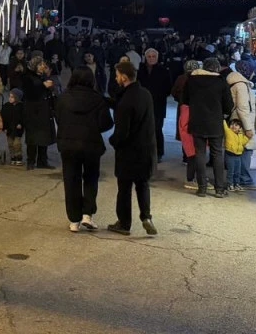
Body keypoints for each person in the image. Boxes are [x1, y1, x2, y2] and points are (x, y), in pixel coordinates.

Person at [54, 67, 114, 233]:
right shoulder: (97, 99)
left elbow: (58, 117)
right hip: (91, 144)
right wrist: (93, 128)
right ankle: (87, 214)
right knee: (91, 178)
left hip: (68, 144)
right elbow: (107, 123)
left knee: (71, 180)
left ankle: (74, 220)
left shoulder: (63, 98)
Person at [106, 61, 158, 236]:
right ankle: (146, 217)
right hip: (146, 149)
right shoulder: (145, 94)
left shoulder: (126, 101)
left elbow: (122, 132)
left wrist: (113, 141)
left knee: (124, 188)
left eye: (117, 76)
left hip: (129, 152)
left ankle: (124, 223)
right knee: (143, 185)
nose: (115, 79)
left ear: (124, 77)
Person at [183, 57, 233, 197]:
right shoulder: (221, 82)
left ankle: (202, 189)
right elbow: (229, 105)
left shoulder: (191, 80)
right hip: (215, 123)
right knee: (217, 154)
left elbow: (185, 100)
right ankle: (219, 189)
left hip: (197, 121)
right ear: (217, 68)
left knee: (199, 154)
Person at [226, 60, 256, 189]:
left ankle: (237, 179)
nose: (253, 74)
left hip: (238, 121)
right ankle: (243, 179)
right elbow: (243, 107)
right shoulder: (241, 85)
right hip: (241, 123)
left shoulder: (238, 83)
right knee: (244, 150)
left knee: (238, 150)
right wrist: (248, 128)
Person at [21, 57, 57, 170]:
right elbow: (29, 93)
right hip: (33, 111)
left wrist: (50, 88)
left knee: (44, 136)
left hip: (44, 110)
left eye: (43, 64)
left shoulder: (43, 77)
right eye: (40, 64)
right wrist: (43, 86)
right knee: (33, 136)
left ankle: (42, 161)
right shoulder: (27, 77)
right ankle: (31, 161)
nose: (43, 66)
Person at [139, 49, 173, 161]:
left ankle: (158, 153)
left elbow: (168, 88)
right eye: (149, 56)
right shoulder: (140, 70)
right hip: (143, 105)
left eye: (153, 56)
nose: (151, 58)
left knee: (157, 130)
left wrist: (159, 94)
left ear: (157, 58)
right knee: (143, 129)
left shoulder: (163, 71)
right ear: (145, 58)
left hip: (158, 105)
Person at [224, 119, 252, 192]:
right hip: (229, 155)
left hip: (238, 156)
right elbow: (224, 125)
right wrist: (223, 118)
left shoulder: (240, 135)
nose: (233, 126)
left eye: (236, 125)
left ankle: (236, 184)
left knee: (237, 171)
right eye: (231, 124)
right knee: (231, 171)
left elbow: (243, 142)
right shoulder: (228, 132)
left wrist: (248, 137)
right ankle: (230, 184)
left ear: (240, 127)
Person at [1, 90, 25, 165]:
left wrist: (21, 124)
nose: (10, 98)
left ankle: (18, 156)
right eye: (10, 97)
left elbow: (24, 117)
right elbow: (3, 117)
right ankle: (13, 156)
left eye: (12, 97)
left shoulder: (21, 107)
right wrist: (4, 127)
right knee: (10, 143)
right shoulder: (6, 106)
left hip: (17, 129)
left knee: (17, 144)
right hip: (9, 128)